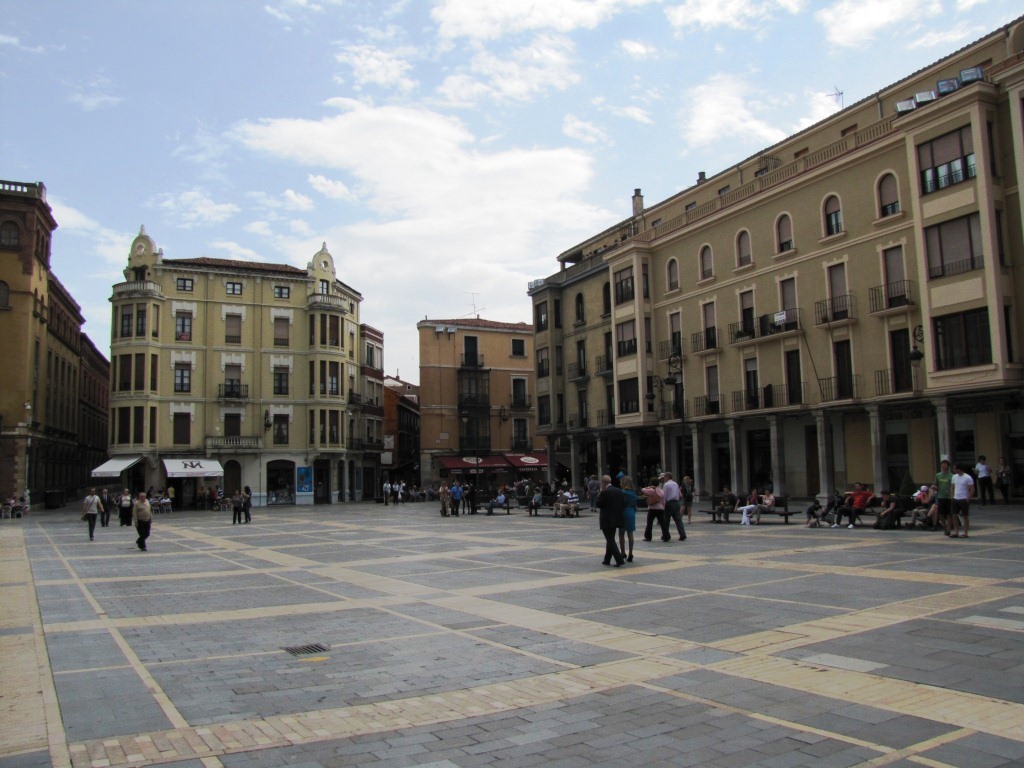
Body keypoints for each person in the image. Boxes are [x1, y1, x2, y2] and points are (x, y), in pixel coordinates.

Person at [596, 475, 626, 567]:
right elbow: (624, 503)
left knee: (610, 540)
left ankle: (619, 560)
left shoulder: (605, 492)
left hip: (606, 519)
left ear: (603, 483)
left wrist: (600, 493)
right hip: (616, 518)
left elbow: (598, 504)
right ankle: (607, 559)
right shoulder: (618, 490)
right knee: (610, 539)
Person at [640, 477, 669, 542]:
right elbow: (663, 500)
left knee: (649, 523)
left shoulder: (651, 490)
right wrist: (663, 507)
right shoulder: (661, 491)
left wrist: (648, 487)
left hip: (652, 509)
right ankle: (666, 536)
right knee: (663, 523)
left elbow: (643, 490)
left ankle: (648, 537)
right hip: (660, 509)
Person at [949, 463, 974, 538]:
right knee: (954, 515)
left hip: (963, 498)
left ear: (959, 469)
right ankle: (956, 532)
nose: (954, 470)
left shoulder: (967, 477)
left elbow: (972, 489)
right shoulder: (954, 477)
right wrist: (952, 496)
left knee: (965, 516)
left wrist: (968, 498)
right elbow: (952, 487)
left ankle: (965, 532)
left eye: (955, 468)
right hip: (955, 498)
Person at [662, 472, 686, 540]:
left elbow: (665, 495)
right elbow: (679, 494)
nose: (664, 478)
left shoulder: (666, 484)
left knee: (666, 520)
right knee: (678, 520)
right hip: (676, 502)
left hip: (669, 503)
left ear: (667, 477)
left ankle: (666, 535)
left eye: (665, 477)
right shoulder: (675, 484)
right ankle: (682, 534)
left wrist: (663, 503)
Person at [618, 477, 637, 562]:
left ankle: (622, 552)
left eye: (621, 482)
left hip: (623, 512)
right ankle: (630, 553)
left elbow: (620, 504)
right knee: (630, 533)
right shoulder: (633, 493)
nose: (620, 484)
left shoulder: (622, 492)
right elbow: (635, 505)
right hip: (631, 512)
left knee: (621, 534)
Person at [934, 459, 954, 532]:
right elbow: (935, 484)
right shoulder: (938, 475)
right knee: (940, 513)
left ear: (948, 466)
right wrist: (934, 488)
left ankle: (948, 528)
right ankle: (944, 526)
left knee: (949, 513)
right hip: (941, 496)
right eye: (942, 465)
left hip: (949, 497)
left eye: (945, 465)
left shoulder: (952, 476)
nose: (943, 466)